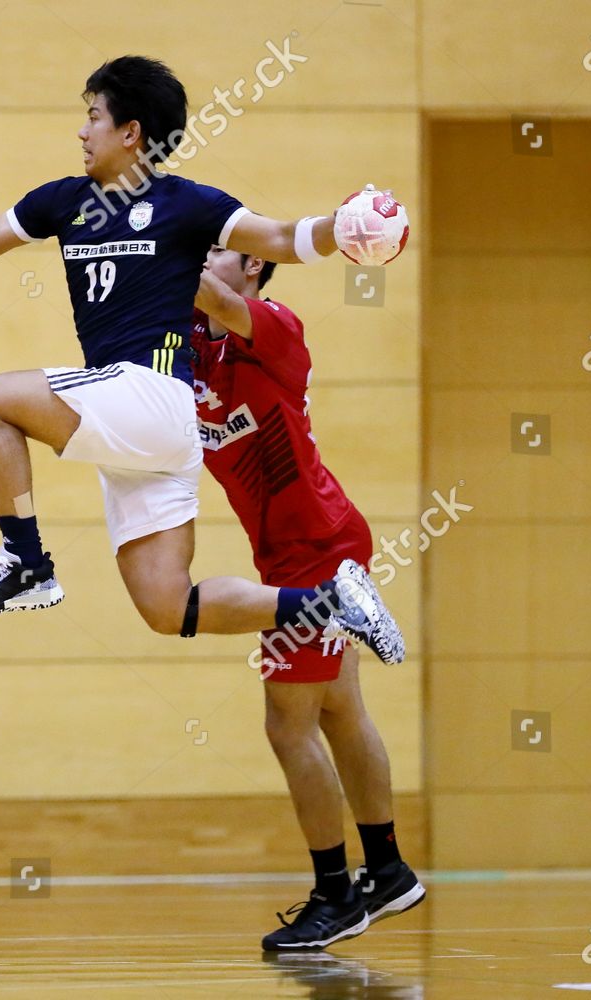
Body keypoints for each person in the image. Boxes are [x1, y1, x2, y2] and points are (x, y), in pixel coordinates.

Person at [0, 55, 404, 666]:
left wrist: (341, 228)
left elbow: (282, 239)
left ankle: (26, 564)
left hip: (149, 391)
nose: (82, 131)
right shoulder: (63, 202)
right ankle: (327, 601)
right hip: (152, 433)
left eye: (93, 117)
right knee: (167, 608)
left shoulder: (188, 205)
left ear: (131, 133)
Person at [191, 251, 423, 950]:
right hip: (289, 550)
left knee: (286, 725)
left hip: (316, 549)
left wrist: (156, 229)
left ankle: (336, 894)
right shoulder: (192, 346)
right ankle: (387, 871)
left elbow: (197, 284)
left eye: (216, 247)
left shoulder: (274, 327)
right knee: (340, 712)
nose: (200, 256)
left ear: (255, 265)